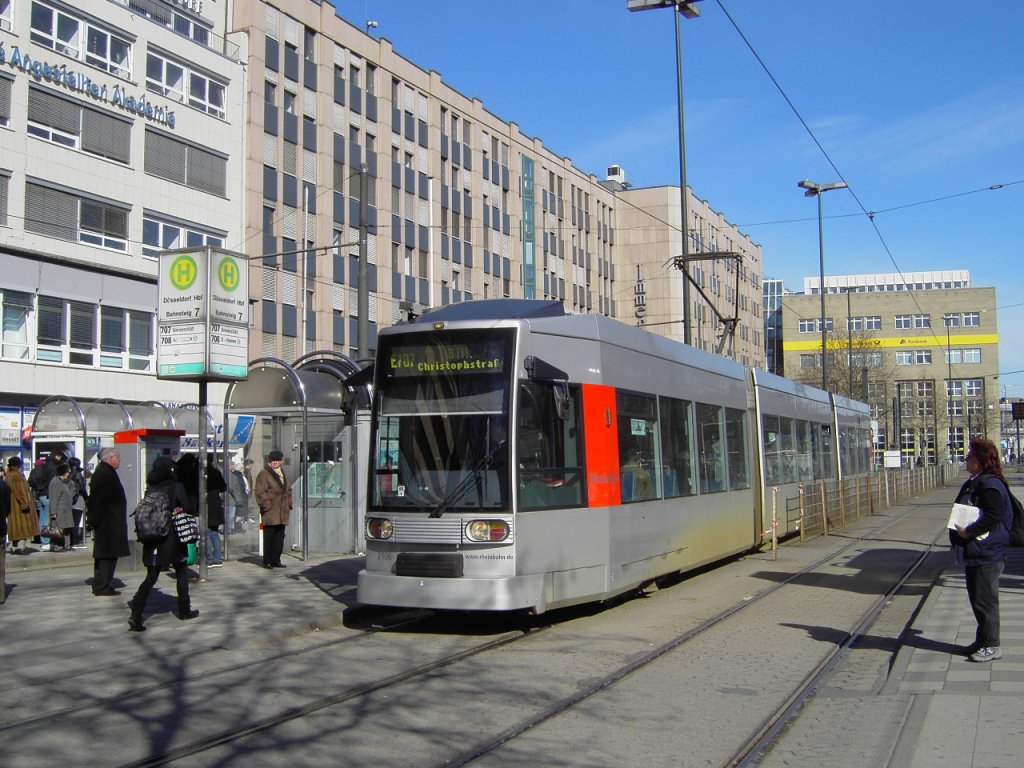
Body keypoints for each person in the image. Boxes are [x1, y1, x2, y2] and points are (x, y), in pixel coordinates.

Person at [950, 436, 1013, 663]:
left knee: (985, 600)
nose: (966, 459)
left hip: (987, 550)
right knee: (978, 598)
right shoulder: (977, 481)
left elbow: (993, 516)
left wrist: (970, 531)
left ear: (979, 460)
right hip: (977, 550)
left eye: (969, 456)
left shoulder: (990, 485)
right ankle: (983, 639)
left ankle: (991, 645)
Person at [127, 456, 198, 630]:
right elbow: (189, 508)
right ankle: (184, 610)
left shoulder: (150, 487)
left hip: (153, 539)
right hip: (172, 537)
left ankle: (136, 613)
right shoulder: (176, 486)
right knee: (181, 571)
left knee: (151, 576)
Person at [86, 447, 129, 596]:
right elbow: (100, 501)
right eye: (118, 457)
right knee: (107, 556)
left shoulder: (104, 472)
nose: (119, 460)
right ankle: (102, 584)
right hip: (108, 524)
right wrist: (94, 520)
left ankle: (102, 583)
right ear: (110, 458)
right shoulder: (106, 474)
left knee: (107, 555)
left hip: (108, 523)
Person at [254, 450, 292, 569]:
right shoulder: (264, 474)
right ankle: (268, 561)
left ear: (281, 461)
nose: (275, 462)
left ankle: (276, 559)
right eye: (273, 460)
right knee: (269, 537)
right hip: (271, 511)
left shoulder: (282, 473)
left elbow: (288, 489)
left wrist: (289, 503)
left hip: (282, 511)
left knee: (279, 537)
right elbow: (260, 492)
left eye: (277, 460)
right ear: (269, 461)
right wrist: (266, 505)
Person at [6, 457, 39, 555]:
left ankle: (15, 547)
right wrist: (25, 503)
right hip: (20, 507)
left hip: (13, 506)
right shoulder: (17, 476)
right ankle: (20, 548)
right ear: (18, 465)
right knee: (22, 528)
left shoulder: (9, 474)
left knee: (16, 529)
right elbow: (20, 491)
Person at [47, 461, 75, 553]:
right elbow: (54, 499)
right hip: (59, 511)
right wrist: (53, 512)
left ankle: (67, 545)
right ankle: (57, 546)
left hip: (66, 510)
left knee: (66, 528)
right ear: (63, 472)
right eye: (67, 472)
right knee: (58, 529)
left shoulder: (63, 482)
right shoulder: (56, 482)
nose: (68, 473)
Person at [205, 454, 226, 567]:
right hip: (216, 505)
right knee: (214, 532)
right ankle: (217, 558)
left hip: (207, 505)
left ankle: (209, 559)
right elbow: (224, 487)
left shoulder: (203, 473)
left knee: (207, 533)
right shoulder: (216, 472)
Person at [68, 457, 89, 549]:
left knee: (72, 521)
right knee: (76, 521)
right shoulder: (78, 474)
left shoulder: (68, 474)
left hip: (70, 501)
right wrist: (87, 497)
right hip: (78, 500)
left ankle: (71, 541)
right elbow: (82, 488)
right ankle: (75, 542)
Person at [226, 460, 248, 533]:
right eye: (232, 464)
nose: (234, 465)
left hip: (233, 498)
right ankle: (229, 529)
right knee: (233, 515)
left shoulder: (234, 474)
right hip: (233, 499)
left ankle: (230, 528)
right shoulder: (235, 475)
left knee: (233, 515)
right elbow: (237, 488)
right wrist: (239, 500)